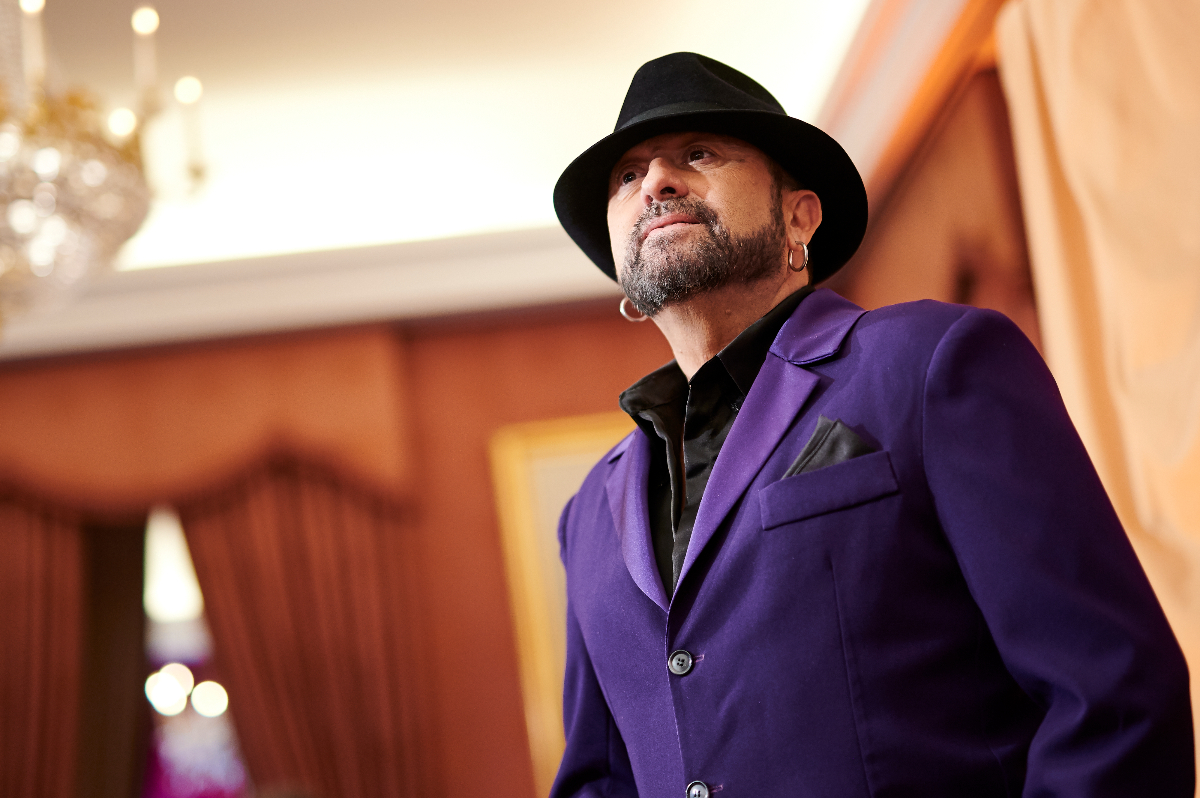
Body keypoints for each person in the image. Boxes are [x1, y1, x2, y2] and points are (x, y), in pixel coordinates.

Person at [548, 52, 1193, 798]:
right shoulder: (587, 516)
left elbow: (1111, 696)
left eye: (698, 154)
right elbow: (596, 781)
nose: (656, 181)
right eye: (628, 176)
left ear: (799, 216)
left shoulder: (930, 362)